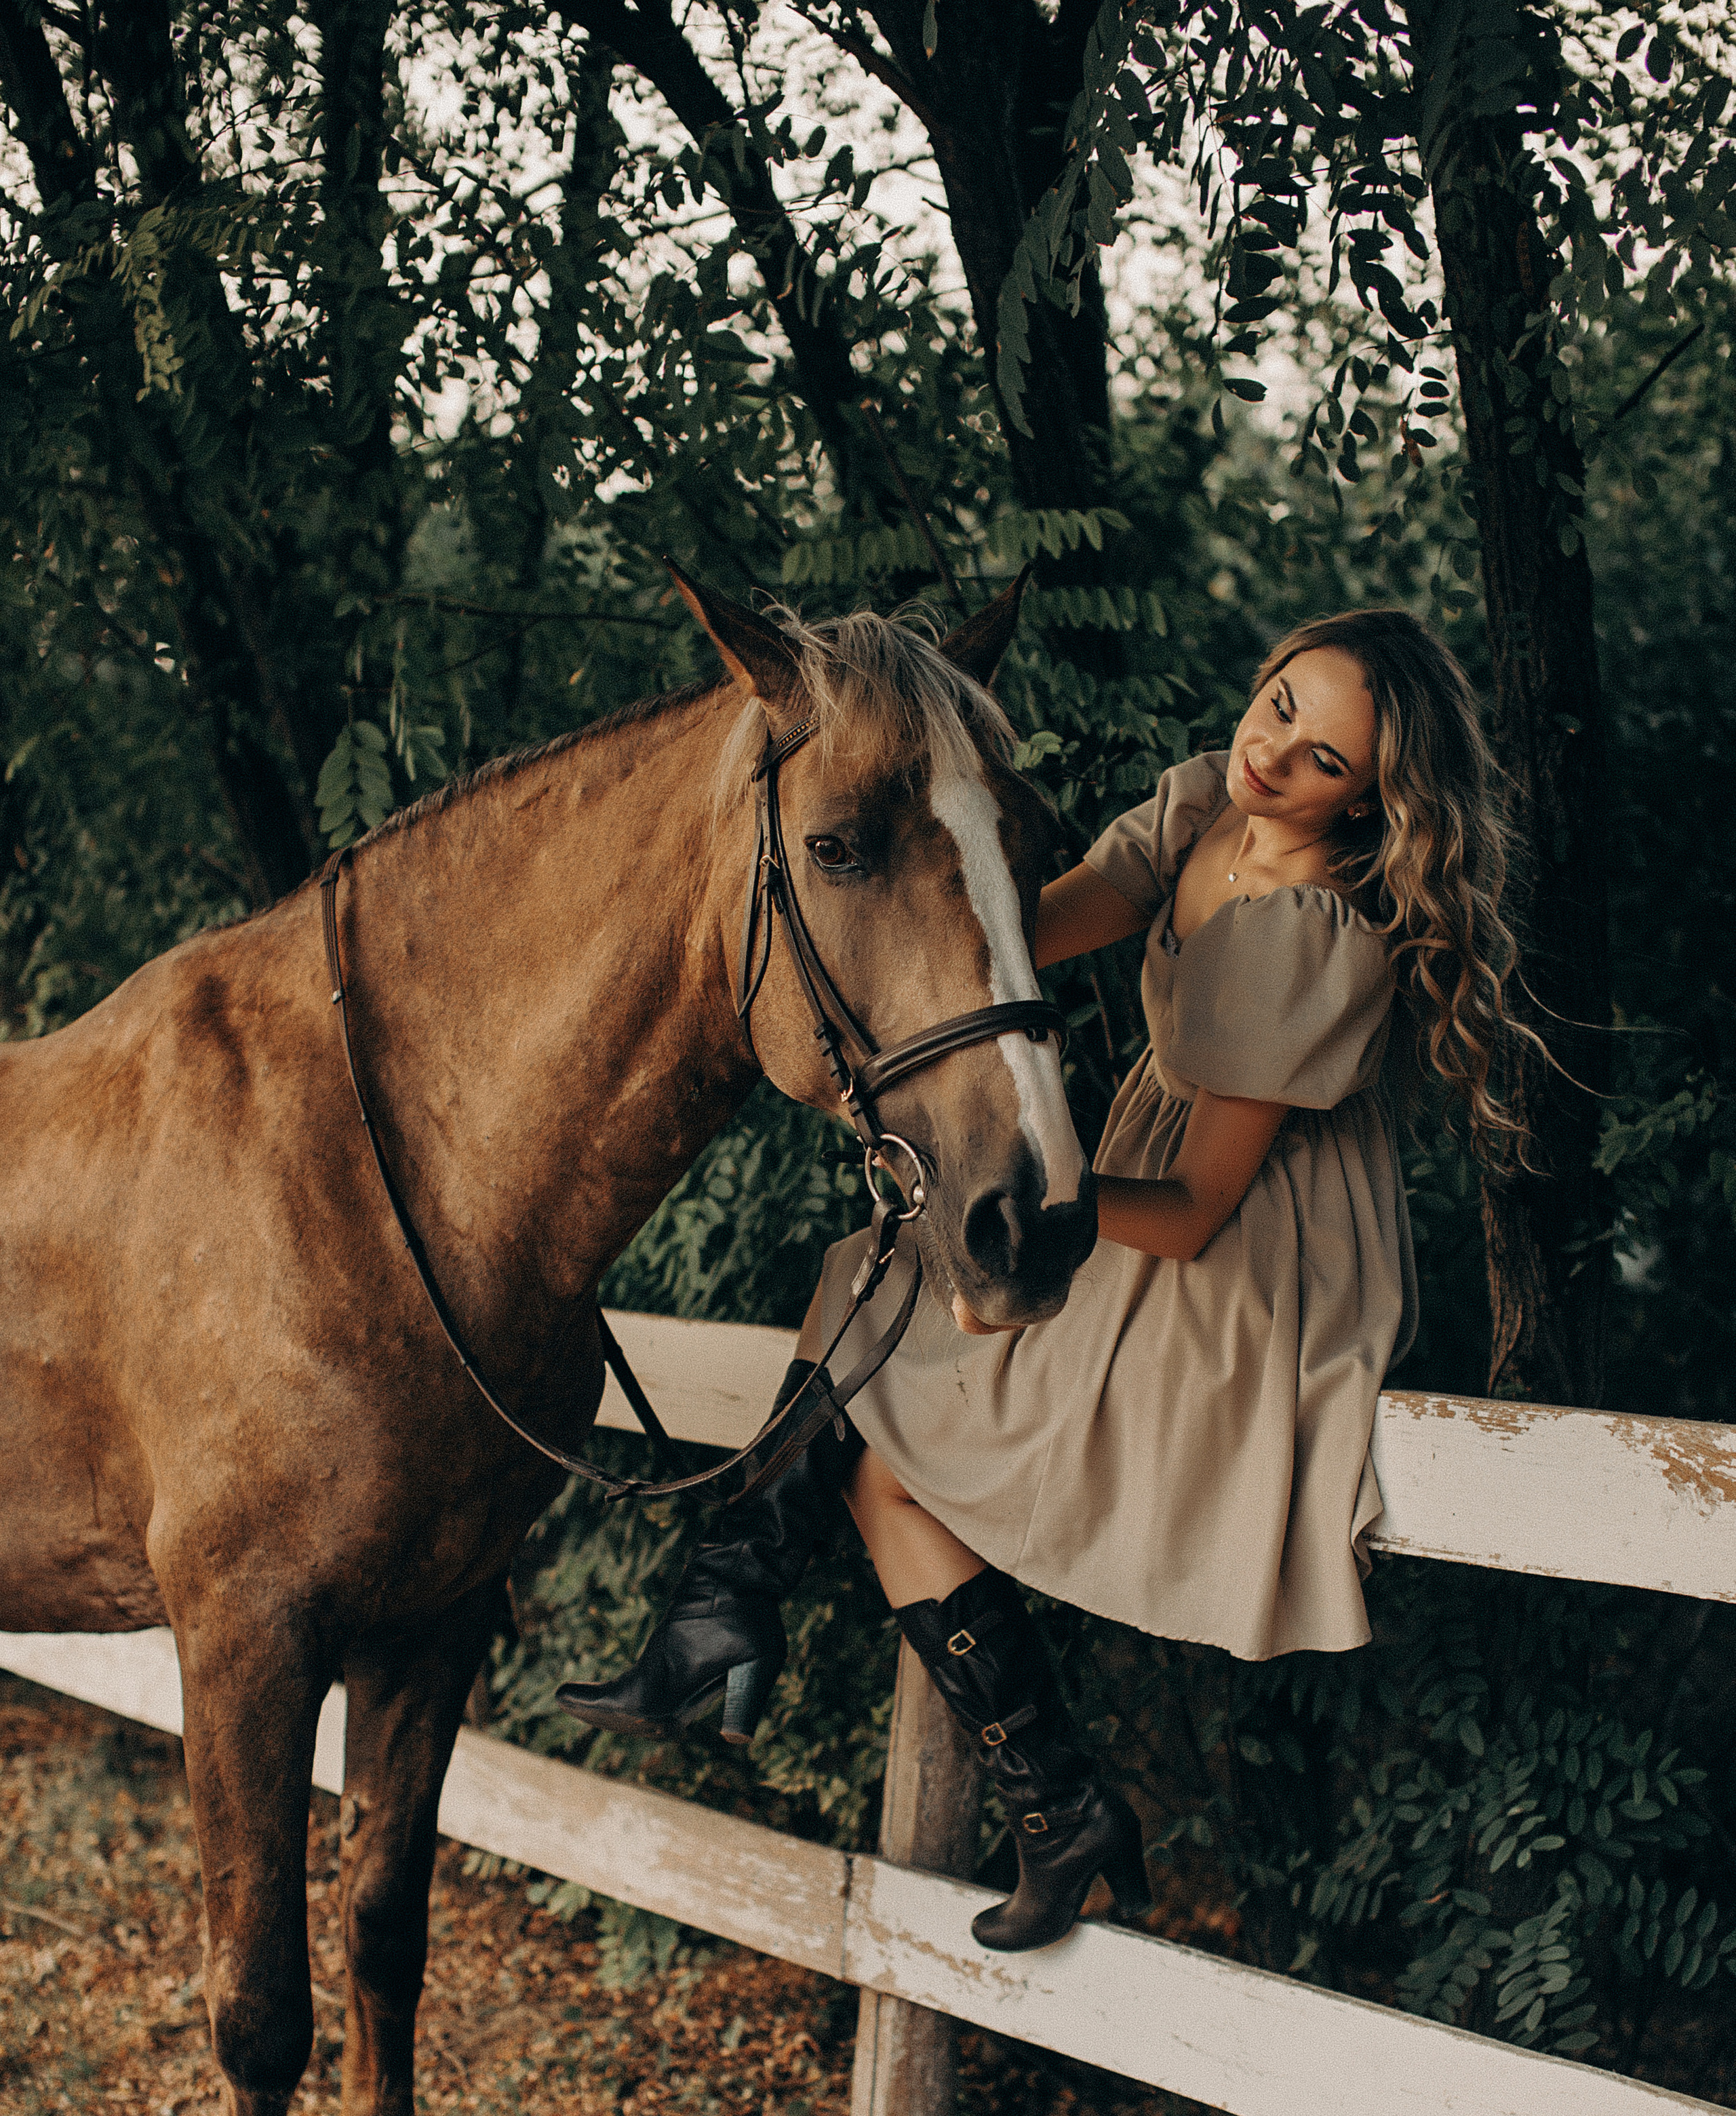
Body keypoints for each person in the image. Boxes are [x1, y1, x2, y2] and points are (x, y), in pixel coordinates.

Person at [559, 608, 1524, 1957]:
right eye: (1278, 703)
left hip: (1240, 1264)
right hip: (1135, 1177)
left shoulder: (1303, 937)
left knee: (887, 1355)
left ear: (1367, 795)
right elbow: (1043, 924)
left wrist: (1035, 1191)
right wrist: (924, 988)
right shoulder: (1202, 805)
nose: (1271, 750)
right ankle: (996, 1772)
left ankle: (740, 1622)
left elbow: (1193, 1214)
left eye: (1319, 758)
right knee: (874, 1319)